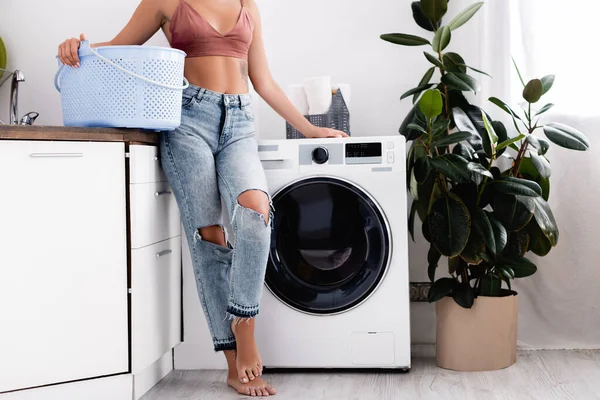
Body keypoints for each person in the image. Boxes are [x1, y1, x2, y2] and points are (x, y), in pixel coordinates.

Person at [58, 0, 347, 397]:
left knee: (255, 213)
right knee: (209, 234)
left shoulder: (247, 4)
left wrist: (309, 128)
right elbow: (113, 54)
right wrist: (77, 47)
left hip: (241, 121)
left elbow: (262, 79)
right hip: (186, 119)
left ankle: (243, 321)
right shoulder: (164, 1)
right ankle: (233, 364)